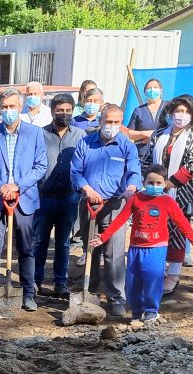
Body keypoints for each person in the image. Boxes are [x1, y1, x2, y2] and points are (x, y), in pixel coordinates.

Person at [90, 164, 193, 324]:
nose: (154, 186)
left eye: (159, 183)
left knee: (153, 280)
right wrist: (104, 237)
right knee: (133, 282)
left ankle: (151, 312)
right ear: (144, 182)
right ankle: (136, 312)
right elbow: (120, 219)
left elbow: (183, 224)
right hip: (136, 249)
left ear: (165, 183)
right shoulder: (136, 198)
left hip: (156, 249)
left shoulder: (167, 201)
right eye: (150, 182)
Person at [0, 87, 48, 312]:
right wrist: (1, 186)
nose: (8, 111)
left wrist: (18, 186)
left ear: (20, 107)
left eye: (12, 106)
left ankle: (28, 294)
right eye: (4, 107)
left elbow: (40, 166)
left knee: (26, 248)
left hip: (23, 199)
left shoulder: (34, 134)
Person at [70, 103, 141, 317]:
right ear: (100, 121)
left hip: (115, 204)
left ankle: (116, 296)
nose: (112, 126)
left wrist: (131, 188)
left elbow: (134, 171)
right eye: (108, 121)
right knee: (90, 248)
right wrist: (87, 189)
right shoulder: (86, 143)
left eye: (116, 122)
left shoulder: (127, 146)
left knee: (113, 252)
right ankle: (89, 290)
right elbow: (75, 171)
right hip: (89, 203)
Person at [146, 96, 193, 294]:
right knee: (155, 228)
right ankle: (157, 270)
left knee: (177, 232)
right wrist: (150, 182)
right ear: (171, 113)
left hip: (181, 193)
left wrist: (169, 184)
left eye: (187, 112)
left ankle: (173, 275)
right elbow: (147, 159)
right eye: (179, 111)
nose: (182, 115)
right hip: (154, 191)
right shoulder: (159, 133)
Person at [34, 93, 86, 298]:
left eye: (68, 110)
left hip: (69, 198)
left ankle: (60, 283)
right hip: (44, 197)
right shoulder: (40, 134)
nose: (64, 114)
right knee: (40, 241)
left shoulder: (80, 136)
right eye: (60, 110)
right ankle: (35, 280)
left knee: (64, 243)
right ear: (52, 111)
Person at [127, 78, 168, 158]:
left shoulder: (169, 107)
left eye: (155, 87)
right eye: (149, 88)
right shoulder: (139, 110)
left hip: (163, 153)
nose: (152, 90)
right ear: (145, 92)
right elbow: (129, 133)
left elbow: (174, 128)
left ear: (161, 90)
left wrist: (154, 135)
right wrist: (145, 134)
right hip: (143, 153)